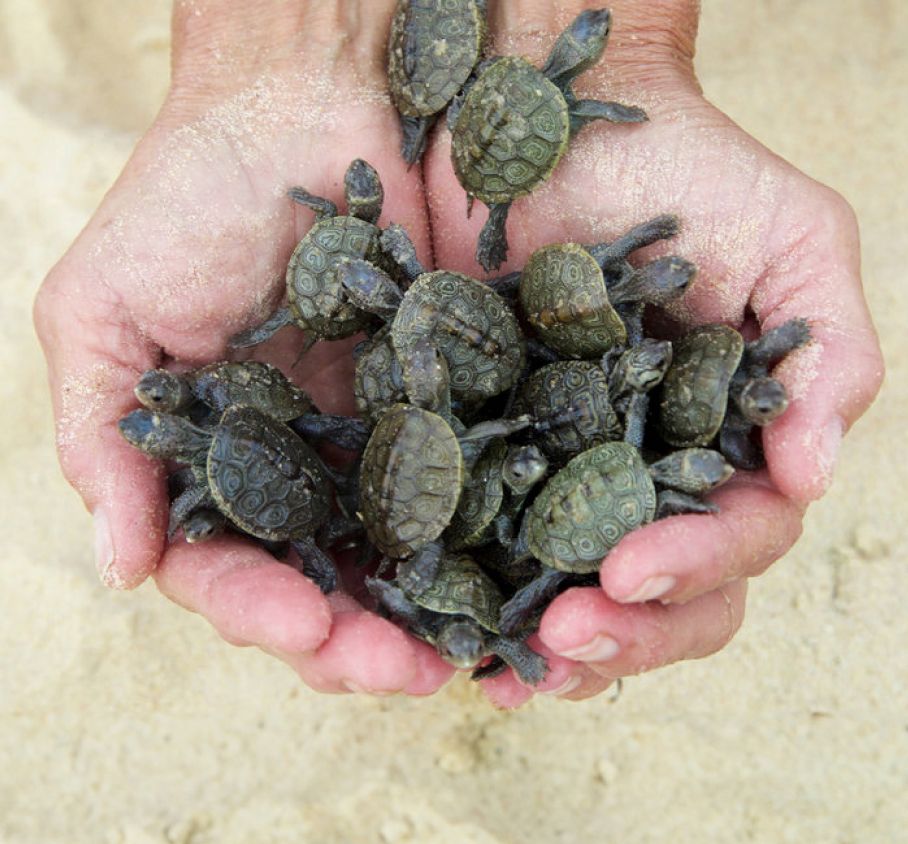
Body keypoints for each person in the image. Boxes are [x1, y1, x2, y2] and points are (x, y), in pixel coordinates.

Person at [33, 1, 883, 706]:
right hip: (434, 398)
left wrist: (627, 65)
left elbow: (484, 396)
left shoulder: (478, 371)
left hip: (485, 377)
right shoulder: (409, 367)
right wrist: (262, 61)